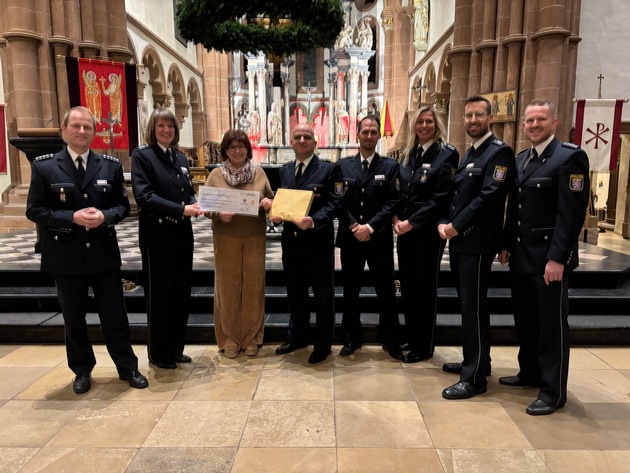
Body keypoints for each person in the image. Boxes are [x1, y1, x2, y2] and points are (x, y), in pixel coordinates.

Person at [26, 106, 148, 394]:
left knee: (115, 316)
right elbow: (34, 210)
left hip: (103, 254)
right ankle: (81, 370)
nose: (82, 131)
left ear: (94, 132)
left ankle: (127, 367)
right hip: (65, 255)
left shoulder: (109, 166)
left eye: (87, 127)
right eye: (76, 126)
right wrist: (72, 217)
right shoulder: (45, 166)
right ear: (64, 129)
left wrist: (105, 216)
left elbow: (122, 206)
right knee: (74, 318)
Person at [498, 99, 589, 415]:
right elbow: (515, 210)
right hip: (522, 257)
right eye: (529, 120)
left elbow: (571, 213)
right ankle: (530, 373)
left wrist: (558, 258)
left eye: (540, 119)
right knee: (526, 321)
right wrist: (506, 244)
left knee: (551, 327)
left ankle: (553, 392)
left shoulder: (569, 157)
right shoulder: (522, 159)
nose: (534, 125)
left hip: (549, 260)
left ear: (554, 122)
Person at [438, 95, 515, 399]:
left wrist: (455, 226)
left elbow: (489, 197)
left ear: (490, 118)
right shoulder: (471, 152)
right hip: (462, 243)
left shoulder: (499, 152)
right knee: (469, 308)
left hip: (478, 244)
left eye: (478, 115)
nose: (472, 120)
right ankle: (478, 362)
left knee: (474, 309)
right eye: (468, 115)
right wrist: (445, 221)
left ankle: (474, 379)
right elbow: (458, 196)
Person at [132, 107, 201, 370]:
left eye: (170, 126)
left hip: (182, 235)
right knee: (159, 296)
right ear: (153, 128)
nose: (166, 130)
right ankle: (159, 353)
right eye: (161, 126)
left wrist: (195, 203)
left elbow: (187, 191)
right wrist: (182, 209)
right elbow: (145, 197)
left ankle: (175, 348)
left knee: (180, 294)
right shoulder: (143, 156)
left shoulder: (180, 157)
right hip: (158, 236)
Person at [333, 116, 403, 360]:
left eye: (374, 132)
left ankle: (391, 340)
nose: (369, 136)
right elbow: (338, 200)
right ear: (357, 134)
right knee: (350, 291)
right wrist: (354, 225)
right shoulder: (342, 166)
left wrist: (370, 227)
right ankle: (351, 338)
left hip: (379, 239)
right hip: (351, 238)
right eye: (365, 132)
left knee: (386, 291)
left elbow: (394, 200)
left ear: (378, 135)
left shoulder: (390, 166)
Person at [393, 106, 459, 363]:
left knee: (424, 290)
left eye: (429, 121)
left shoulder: (446, 154)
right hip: (405, 231)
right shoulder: (409, 153)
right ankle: (412, 336)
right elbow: (401, 191)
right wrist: (396, 218)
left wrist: (412, 222)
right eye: (420, 121)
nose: (424, 126)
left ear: (436, 124)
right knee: (408, 287)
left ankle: (424, 345)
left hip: (427, 233)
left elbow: (441, 198)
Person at [272, 124, 341, 364]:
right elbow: (282, 202)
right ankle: (298, 337)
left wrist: (314, 220)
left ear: (314, 142)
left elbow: (336, 203)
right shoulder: (284, 171)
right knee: (296, 294)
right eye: (297, 136)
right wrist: (276, 213)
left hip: (317, 243)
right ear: (291, 142)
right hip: (291, 244)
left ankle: (323, 345)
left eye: (307, 137)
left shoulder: (329, 169)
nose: (302, 140)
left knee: (323, 297)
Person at [203, 130, 273, 358]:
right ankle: (229, 337)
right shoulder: (216, 175)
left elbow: (272, 201)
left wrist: (268, 204)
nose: (237, 151)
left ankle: (251, 336)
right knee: (228, 287)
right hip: (226, 238)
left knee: (253, 286)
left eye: (241, 146)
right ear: (225, 150)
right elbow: (205, 206)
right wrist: (218, 214)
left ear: (247, 149)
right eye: (232, 147)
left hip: (254, 237)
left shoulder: (259, 174)